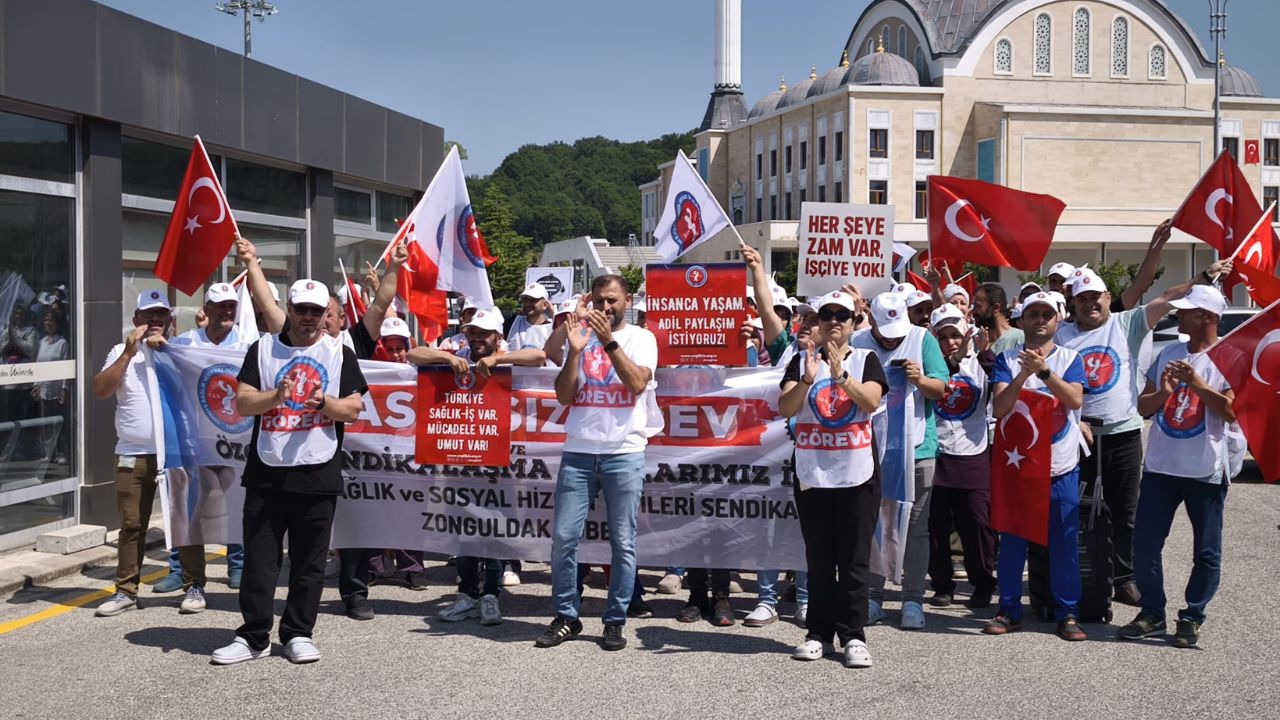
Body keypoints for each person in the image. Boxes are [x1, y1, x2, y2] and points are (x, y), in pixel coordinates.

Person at [1054, 239, 1219, 608]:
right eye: (1082, 299)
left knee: (1126, 512)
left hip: (1123, 433)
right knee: (1077, 510)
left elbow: (1168, 296)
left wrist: (1203, 276)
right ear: (1073, 304)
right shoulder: (1061, 334)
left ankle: (1123, 578)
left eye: (1095, 297)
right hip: (1078, 436)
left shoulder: (1127, 322)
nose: (1090, 303)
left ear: (1107, 298)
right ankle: (1082, 575)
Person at [211, 280, 368, 665]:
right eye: (302, 309)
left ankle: (298, 633)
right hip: (268, 472)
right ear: (291, 310)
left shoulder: (339, 352)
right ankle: (253, 636)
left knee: (309, 563)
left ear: (326, 313)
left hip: (318, 472)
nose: (309, 317)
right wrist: (277, 396)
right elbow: (243, 403)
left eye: (316, 310)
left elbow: (353, 409)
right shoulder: (263, 348)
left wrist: (323, 402)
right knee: (259, 562)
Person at [535, 274, 660, 652]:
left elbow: (637, 383)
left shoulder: (642, 338)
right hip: (579, 451)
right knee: (563, 538)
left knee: (622, 542)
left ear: (627, 300)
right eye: (600, 300)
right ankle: (566, 616)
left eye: (613, 300)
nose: (606, 307)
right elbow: (564, 395)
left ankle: (615, 619)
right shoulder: (580, 335)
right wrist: (574, 350)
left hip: (625, 452)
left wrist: (608, 342)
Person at [409, 307, 547, 626]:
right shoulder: (458, 353)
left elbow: (539, 357)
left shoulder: (508, 357)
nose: (477, 338)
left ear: (498, 336)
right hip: (462, 460)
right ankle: (468, 593)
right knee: (464, 531)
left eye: (484, 333)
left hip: (499, 461)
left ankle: (491, 595)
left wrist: (499, 360)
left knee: (494, 531)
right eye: (473, 332)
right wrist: (446, 358)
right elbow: (415, 354)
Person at [1119, 285, 1235, 649]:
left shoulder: (1229, 355)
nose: (1177, 315)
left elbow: (1231, 412)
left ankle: (1192, 616)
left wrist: (1196, 383)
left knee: (1206, 551)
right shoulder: (1169, 351)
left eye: (1186, 310)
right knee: (1145, 545)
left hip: (1205, 470)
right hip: (1160, 467)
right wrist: (1165, 392)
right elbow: (1143, 407)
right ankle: (1152, 612)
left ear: (1208, 317)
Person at [778, 290, 886, 667]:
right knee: (820, 559)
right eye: (827, 315)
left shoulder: (866, 359)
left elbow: (871, 401)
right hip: (814, 474)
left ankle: (853, 635)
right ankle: (818, 634)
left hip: (857, 474)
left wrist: (841, 375)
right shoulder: (801, 360)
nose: (834, 321)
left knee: (854, 560)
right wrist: (808, 381)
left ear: (855, 323)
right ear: (818, 323)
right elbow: (785, 407)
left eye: (843, 315)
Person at [985, 291, 1088, 641]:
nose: (1040, 320)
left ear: (1058, 320)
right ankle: (1009, 609)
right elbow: (1000, 408)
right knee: (1013, 544)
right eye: (1033, 314)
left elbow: (1074, 399)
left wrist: (1043, 372)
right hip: (1019, 468)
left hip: (1060, 466)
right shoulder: (1006, 358)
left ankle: (1068, 612)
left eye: (1047, 314)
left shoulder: (1071, 358)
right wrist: (1021, 375)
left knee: (1064, 544)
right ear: (1022, 320)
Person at [852, 292, 948, 630]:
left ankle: (912, 599)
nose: (893, 339)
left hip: (916, 447)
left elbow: (940, 388)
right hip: (869, 448)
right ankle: (873, 597)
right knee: (873, 524)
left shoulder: (922, 339)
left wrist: (920, 380)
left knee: (916, 527)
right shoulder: (858, 342)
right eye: (886, 331)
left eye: (898, 332)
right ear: (872, 321)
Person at [92, 291, 174, 617]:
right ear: (136, 319)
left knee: (184, 522)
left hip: (174, 454)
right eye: (148, 314)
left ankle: (193, 585)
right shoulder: (120, 351)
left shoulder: (180, 349)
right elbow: (101, 389)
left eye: (161, 314)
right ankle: (126, 590)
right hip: (132, 454)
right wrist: (129, 352)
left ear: (169, 319)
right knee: (132, 525)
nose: (155, 319)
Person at [926, 304, 996, 610]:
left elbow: (1001, 378)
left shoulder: (982, 362)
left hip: (973, 453)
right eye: (944, 337)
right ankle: (942, 584)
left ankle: (982, 581)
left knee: (977, 522)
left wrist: (983, 352)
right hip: (937, 452)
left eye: (956, 335)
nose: (952, 342)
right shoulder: (931, 364)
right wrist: (953, 359)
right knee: (936, 525)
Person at [32, 309, 70, 464]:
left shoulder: (62, 343)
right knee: (46, 424)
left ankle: (62, 453)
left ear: (57, 323)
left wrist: (64, 389)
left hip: (57, 390)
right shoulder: (41, 343)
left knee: (59, 423)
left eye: (51, 320)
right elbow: (37, 365)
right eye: (46, 320)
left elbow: (66, 366)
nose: (48, 323)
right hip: (43, 390)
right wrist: (35, 385)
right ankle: (49, 454)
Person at [973, 283, 1023, 356]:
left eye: (978, 306)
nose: (973, 311)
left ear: (996, 308)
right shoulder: (975, 340)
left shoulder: (1020, 339)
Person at [507, 282, 555, 352]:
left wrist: (554, 314)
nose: (527, 304)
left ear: (545, 305)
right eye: (525, 299)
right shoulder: (512, 322)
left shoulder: (552, 329)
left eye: (533, 300)